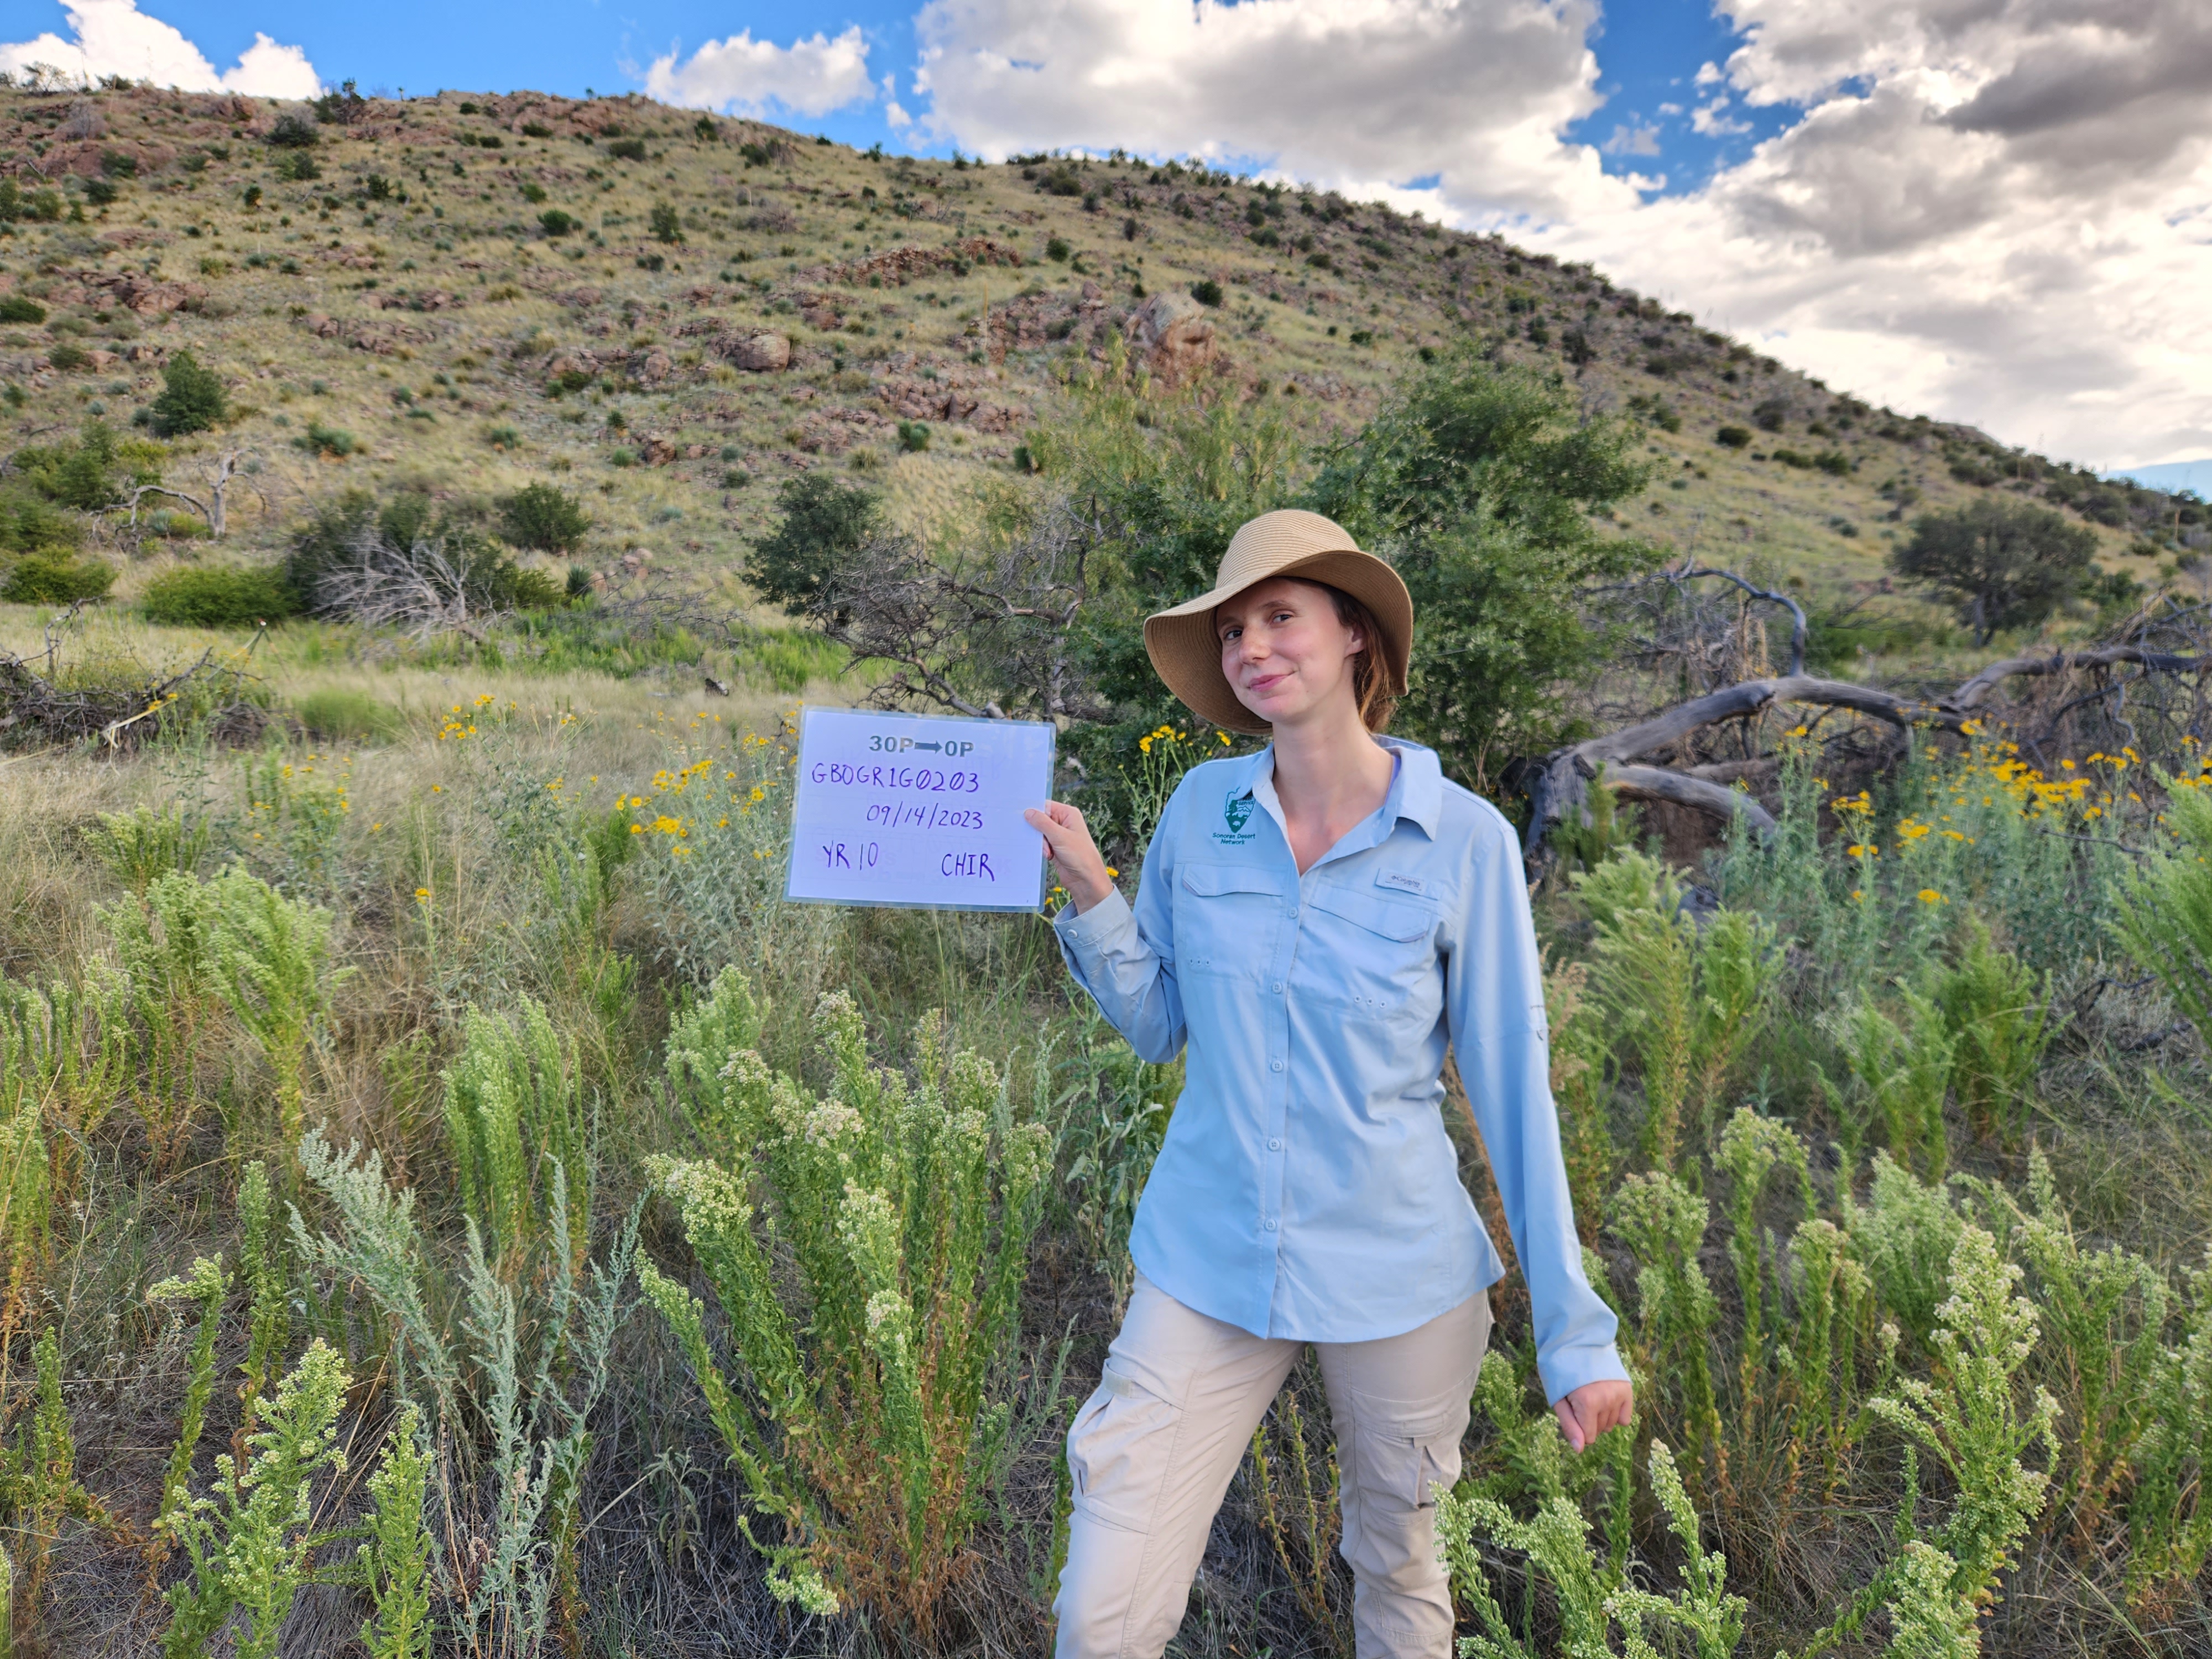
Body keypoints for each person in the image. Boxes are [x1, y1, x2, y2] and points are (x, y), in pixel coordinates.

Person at [1023, 509, 1632, 1659]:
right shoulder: (1203, 812)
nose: (1253, 647)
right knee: (1100, 1606)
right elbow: (1159, 1026)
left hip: (1398, 1273)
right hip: (1204, 1258)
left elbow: (1511, 1095)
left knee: (1397, 1569)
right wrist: (1092, 892)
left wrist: (1574, 1336)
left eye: (1280, 617)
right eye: (1234, 630)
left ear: (1354, 634)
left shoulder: (1465, 842)